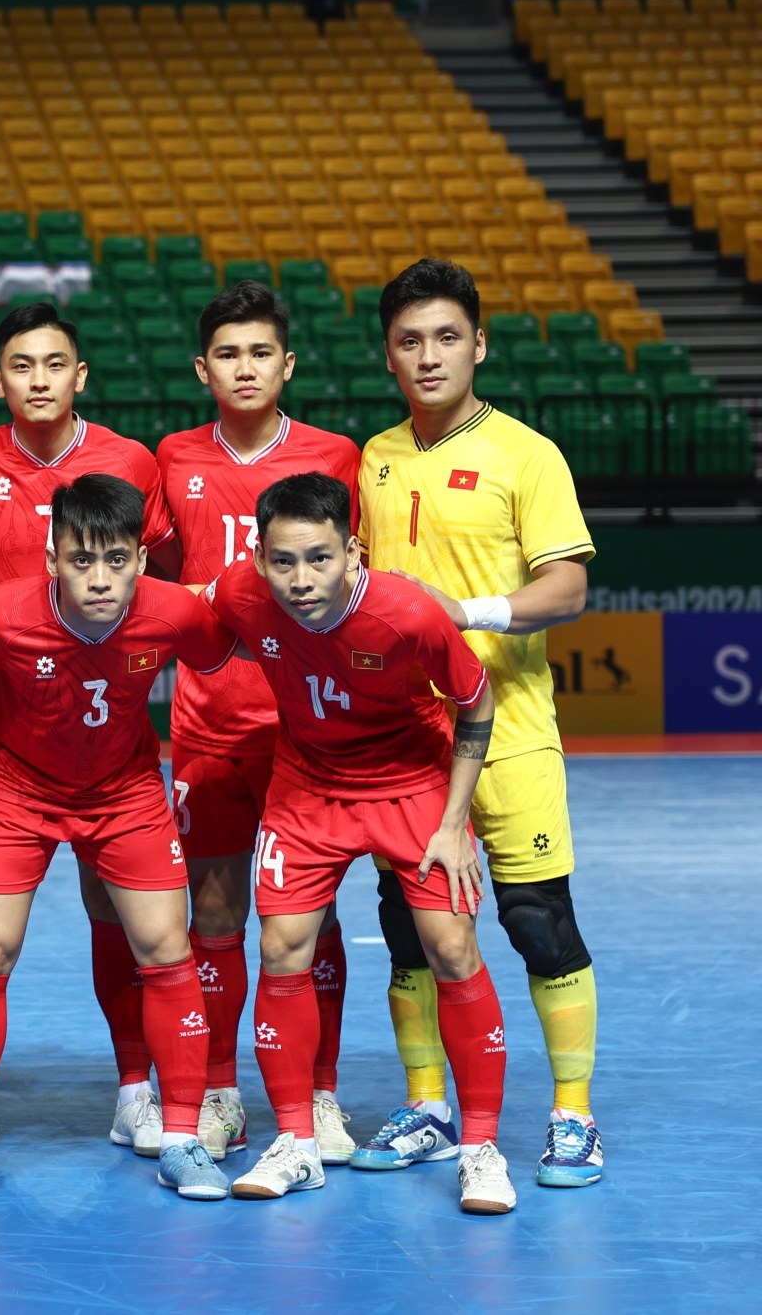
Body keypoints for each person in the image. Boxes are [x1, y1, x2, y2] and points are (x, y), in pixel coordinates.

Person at [353, 258, 602, 1189]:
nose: (429, 355)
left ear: (479, 346)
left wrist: (465, 612)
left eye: (447, 337)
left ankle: (573, 1114)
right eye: (410, 340)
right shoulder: (371, 456)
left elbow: (568, 586)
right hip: (406, 746)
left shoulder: (526, 454)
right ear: (389, 356)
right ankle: (427, 1105)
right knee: (409, 927)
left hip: (512, 733)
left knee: (539, 922)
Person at [203, 471, 514, 1215]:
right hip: (307, 787)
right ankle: (297, 1143)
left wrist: (452, 822)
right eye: (283, 560)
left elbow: (477, 701)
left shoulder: (408, 611)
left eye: (318, 557)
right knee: (281, 949)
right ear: (259, 557)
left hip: (412, 787)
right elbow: (185, 632)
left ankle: (480, 1150)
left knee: (452, 948)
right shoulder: (238, 595)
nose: (301, 578)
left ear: (352, 549)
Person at [0, 475, 237, 1204]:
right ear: (51, 554)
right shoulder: (2, 616)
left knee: (166, 948)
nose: (100, 578)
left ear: (140, 557)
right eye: (80, 560)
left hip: (124, 794)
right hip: (14, 794)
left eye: (118, 559)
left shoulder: (174, 613)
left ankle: (185, 1135)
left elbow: (238, 651)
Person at [0, 299, 182, 1156]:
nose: (39, 380)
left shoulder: (130, 460)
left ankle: (134, 1090)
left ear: (79, 375)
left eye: (56, 365)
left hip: (109, 729)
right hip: (7, 736)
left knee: (115, 913)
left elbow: (159, 577)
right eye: (22, 366)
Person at [154, 281, 364, 1163]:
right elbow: (159, 582)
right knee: (213, 911)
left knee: (308, 917)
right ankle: (217, 1089)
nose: (246, 368)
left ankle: (319, 1095)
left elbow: (355, 583)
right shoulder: (172, 457)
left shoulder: (334, 455)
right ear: (205, 369)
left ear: (288, 363)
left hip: (304, 732)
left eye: (261, 353)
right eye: (228, 355)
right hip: (206, 725)